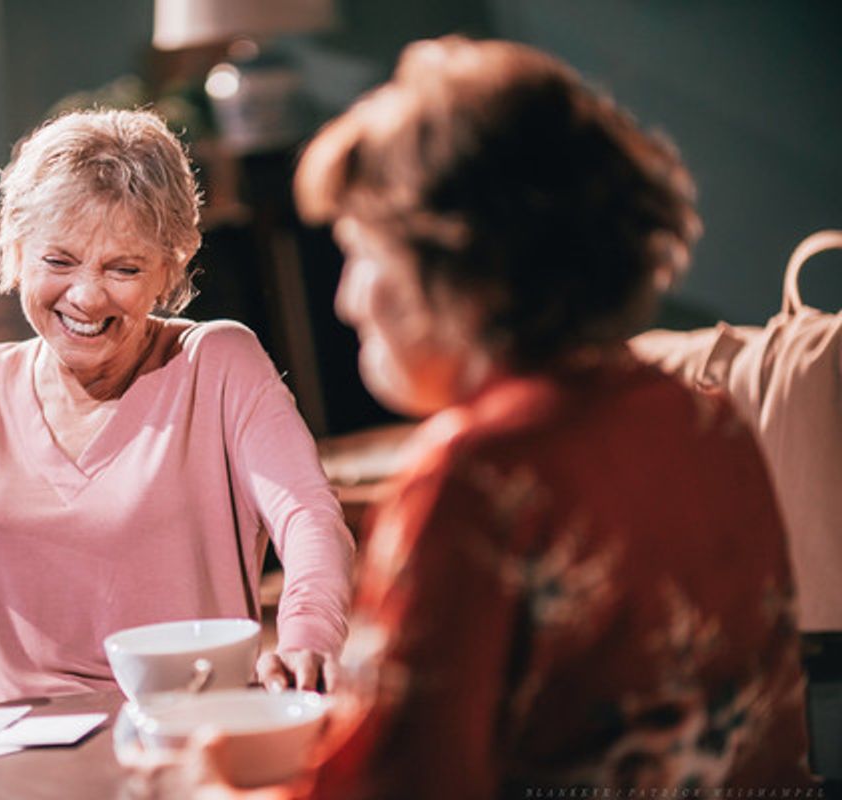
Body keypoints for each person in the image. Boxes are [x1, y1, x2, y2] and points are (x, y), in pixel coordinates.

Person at [196, 35, 815, 798]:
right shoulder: (708, 421)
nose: (346, 297)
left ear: (458, 264)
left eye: (360, 250)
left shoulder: (478, 472)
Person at [0, 109, 354, 706]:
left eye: (124, 268)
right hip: (5, 732)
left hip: (180, 718)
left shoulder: (219, 364)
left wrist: (308, 638)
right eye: (59, 262)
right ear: (15, 254)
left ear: (168, 273)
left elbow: (309, 518)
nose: (87, 298)